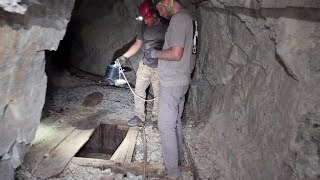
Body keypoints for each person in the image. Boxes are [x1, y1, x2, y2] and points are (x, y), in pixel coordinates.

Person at [145, 0, 195, 179]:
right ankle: (178, 159)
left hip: (173, 81)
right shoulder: (188, 17)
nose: (161, 13)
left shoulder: (179, 19)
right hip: (181, 79)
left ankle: (173, 173)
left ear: (167, 1)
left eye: (160, 8)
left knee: (165, 125)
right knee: (175, 121)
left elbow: (176, 53)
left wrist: (154, 53)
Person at [116, 0, 168, 127]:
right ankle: (140, 117)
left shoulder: (167, 27)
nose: (145, 21)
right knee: (139, 91)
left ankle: (156, 119)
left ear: (155, 15)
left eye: (147, 18)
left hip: (160, 67)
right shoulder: (143, 26)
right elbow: (138, 44)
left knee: (159, 94)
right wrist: (124, 57)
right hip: (145, 65)